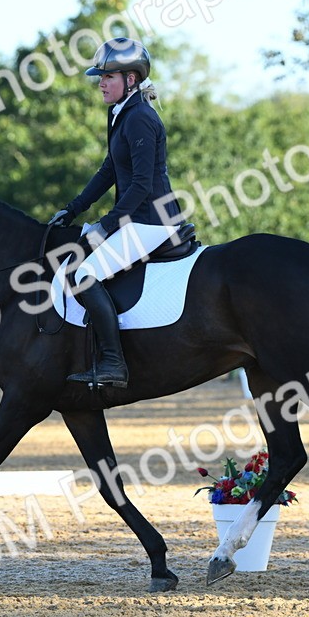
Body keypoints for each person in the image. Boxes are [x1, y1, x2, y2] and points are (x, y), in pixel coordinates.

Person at [48, 37, 185, 388]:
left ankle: (113, 363)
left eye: (108, 77)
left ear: (132, 80)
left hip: (154, 219)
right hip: (137, 216)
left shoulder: (140, 117)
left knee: (86, 274)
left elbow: (140, 185)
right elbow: (109, 170)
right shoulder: (119, 113)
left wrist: (107, 225)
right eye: (100, 77)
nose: (101, 84)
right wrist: (74, 208)